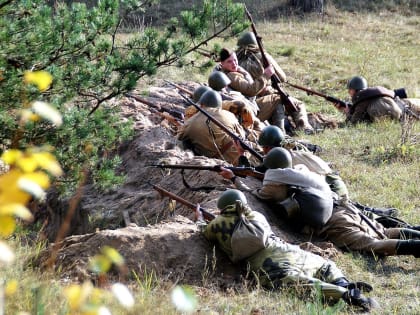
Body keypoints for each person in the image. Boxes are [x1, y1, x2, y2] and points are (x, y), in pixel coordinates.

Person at [196, 189, 379, 312]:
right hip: (287, 250)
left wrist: (200, 219)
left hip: (267, 264)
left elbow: (202, 232)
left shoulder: (215, 225)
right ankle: (343, 282)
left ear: (222, 209)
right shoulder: (256, 215)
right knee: (323, 265)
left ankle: (345, 295)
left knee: (297, 283)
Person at [220, 147, 420, 258]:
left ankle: (415, 247)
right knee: (383, 231)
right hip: (345, 208)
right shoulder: (300, 171)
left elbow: (254, 195)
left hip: (333, 223)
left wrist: (234, 178)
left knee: (373, 244)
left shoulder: (274, 184)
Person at [235, 32, 314, 134]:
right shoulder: (262, 56)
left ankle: (281, 131)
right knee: (296, 104)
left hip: (245, 102)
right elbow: (282, 77)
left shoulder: (234, 61)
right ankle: (303, 127)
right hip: (261, 97)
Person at [178, 89, 260, 166]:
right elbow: (241, 136)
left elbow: (179, 138)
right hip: (241, 156)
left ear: (201, 104)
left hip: (219, 162)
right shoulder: (228, 115)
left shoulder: (190, 122)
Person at [213, 47, 287, 133]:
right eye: (229, 61)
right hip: (248, 112)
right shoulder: (231, 76)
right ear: (222, 64)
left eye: (235, 60)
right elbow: (251, 90)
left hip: (247, 107)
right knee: (276, 99)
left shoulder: (232, 72)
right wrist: (266, 75)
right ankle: (280, 132)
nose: (234, 63)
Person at [338, 76, 420, 124]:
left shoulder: (361, 99)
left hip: (396, 116)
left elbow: (353, 122)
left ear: (356, 89)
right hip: (403, 107)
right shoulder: (373, 96)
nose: (348, 91)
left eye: (350, 89)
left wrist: (347, 113)